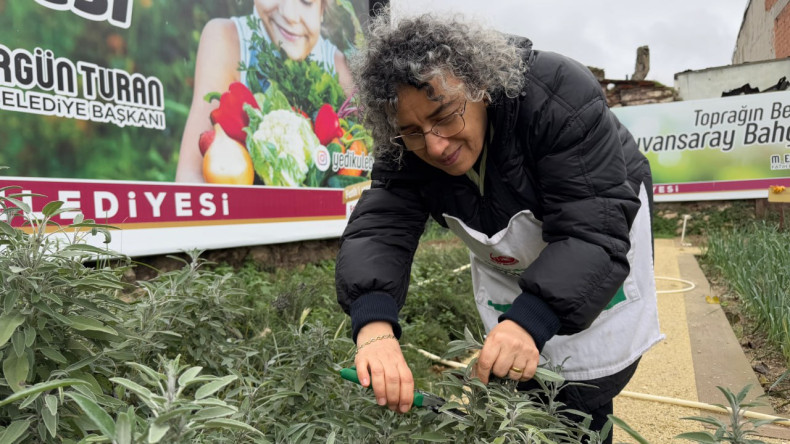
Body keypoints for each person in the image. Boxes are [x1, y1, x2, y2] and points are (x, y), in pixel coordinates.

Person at [335, 9, 663, 440]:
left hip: (599, 214)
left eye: (445, 116)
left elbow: (592, 230)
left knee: (581, 390)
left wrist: (531, 319)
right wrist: (373, 322)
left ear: (481, 86)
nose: (436, 146)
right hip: (511, 242)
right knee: (516, 375)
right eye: (413, 132)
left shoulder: (559, 96)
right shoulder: (406, 143)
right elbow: (381, 225)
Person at [176, 0, 354, 183]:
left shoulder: (342, 71)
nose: (290, 15)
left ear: (322, 8)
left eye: (306, 1)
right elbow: (190, 177)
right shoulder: (226, 39)